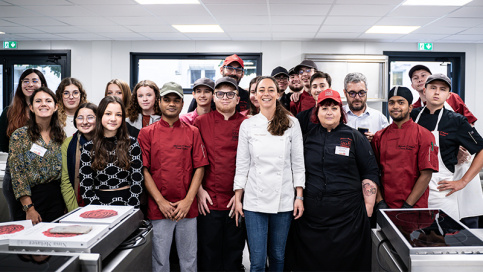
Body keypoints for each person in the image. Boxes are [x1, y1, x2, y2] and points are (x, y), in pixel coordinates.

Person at [290, 89, 379, 271]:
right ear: (317, 112)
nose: (329, 112)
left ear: (341, 112)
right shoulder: (306, 138)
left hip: (348, 217)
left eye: (333, 108)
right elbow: (296, 170)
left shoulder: (355, 137)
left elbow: (369, 171)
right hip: (311, 218)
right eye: (324, 108)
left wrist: (368, 208)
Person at [234, 76, 305, 272]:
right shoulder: (247, 125)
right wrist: (238, 198)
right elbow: (242, 164)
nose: (266, 93)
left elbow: (298, 163)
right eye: (261, 90)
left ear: (278, 93)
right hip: (254, 201)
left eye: (270, 89)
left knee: (278, 256)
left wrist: (299, 196)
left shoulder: (292, 123)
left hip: (283, 199)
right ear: (255, 95)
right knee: (256, 261)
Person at [137, 82, 208, 272]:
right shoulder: (146, 134)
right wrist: (160, 202)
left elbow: (199, 167)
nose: (171, 104)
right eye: (167, 99)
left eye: (176, 100)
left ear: (182, 104)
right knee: (160, 260)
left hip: (187, 208)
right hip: (159, 208)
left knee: (189, 259)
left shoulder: (192, 132)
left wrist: (188, 201)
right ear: (159, 103)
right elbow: (144, 170)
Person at [411, 74, 483, 228]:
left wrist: (463, 182)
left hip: (441, 192)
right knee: (417, 241)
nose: (437, 92)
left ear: (449, 95)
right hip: (413, 191)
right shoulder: (413, 116)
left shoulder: (457, 121)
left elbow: (481, 150)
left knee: (444, 243)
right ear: (425, 90)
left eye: (442, 89)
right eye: (433, 88)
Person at [194, 77, 247, 271]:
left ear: (237, 98)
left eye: (230, 94)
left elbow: (251, 163)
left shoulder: (246, 124)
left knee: (234, 252)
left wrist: (240, 194)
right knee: (209, 253)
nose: (225, 98)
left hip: (237, 200)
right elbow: (194, 160)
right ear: (214, 98)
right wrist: (199, 190)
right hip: (208, 199)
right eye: (220, 94)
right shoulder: (200, 123)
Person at [371, 86, 438, 211]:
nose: (395, 106)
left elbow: (426, 174)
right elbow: (373, 172)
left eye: (401, 102)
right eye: (391, 103)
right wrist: (379, 201)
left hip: (414, 206)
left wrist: (408, 206)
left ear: (410, 107)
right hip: (386, 206)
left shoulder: (424, 135)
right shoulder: (379, 136)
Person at [8, 87, 66, 224]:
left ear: (56, 106)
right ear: (32, 108)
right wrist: (29, 208)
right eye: (38, 101)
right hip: (31, 199)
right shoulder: (20, 136)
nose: (43, 104)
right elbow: (18, 175)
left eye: (48, 100)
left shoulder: (60, 136)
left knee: (55, 241)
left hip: (56, 198)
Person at [0, 69, 48, 221]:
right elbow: (3, 144)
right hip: (15, 173)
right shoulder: (9, 112)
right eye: (25, 81)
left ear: (42, 85)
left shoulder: (46, 111)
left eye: (35, 81)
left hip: (42, 176)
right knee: (21, 222)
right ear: (20, 85)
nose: (30, 84)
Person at [79, 96, 143, 208]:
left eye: (118, 115)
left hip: (129, 204)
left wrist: (129, 208)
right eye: (108, 114)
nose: (113, 118)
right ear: (100, 116)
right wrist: (99, 210)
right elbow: (86, 187)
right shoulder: (88, 148)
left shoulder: (132, 144)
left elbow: (137, 181)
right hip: (98, 205)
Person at [60, 103, 98, 212]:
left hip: (101, 204)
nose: (85, 122)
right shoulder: (68, 144)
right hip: (75, 205)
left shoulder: (105, 143)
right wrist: (74, 211)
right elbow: (65, 181)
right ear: (75, 121)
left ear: (98, 119)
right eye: (80, 118)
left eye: (90, 117)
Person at [409, 65, 477, 124]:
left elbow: (469, 122)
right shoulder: (414, 108)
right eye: (415, 78)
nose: (420, 80)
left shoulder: (453, 98)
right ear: (412, 86)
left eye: (423, 75)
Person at [342, 72, 389, 142]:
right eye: (352, 93)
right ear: (345, 93)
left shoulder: (379, 118)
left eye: (361, 93)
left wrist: (375, 140)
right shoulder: (338, 115)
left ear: (366, 91)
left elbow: (388, 144)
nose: (357, 97)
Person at [296, 72, 333, 136]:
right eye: (314, 87)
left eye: (322, 86)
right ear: (311, 90)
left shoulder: (338, 115)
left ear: (330, 89)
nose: (318, 90)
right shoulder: (302, 117)